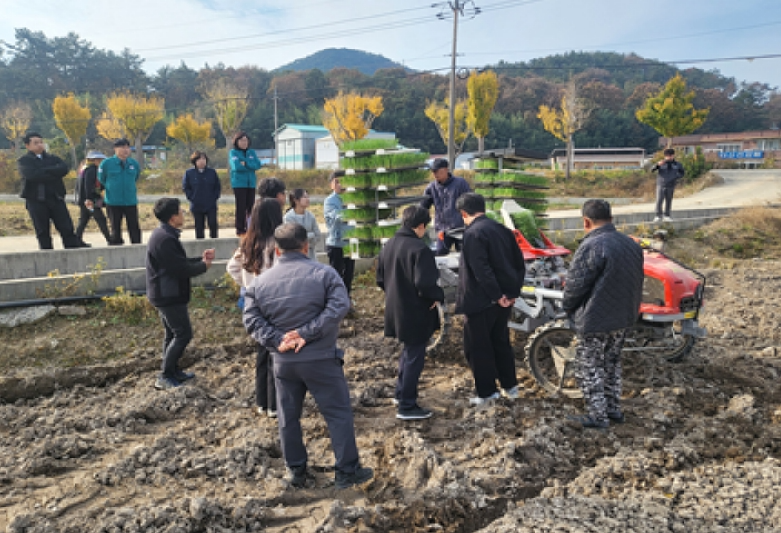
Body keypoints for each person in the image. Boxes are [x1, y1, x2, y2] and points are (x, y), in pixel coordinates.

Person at [243, 222, 374, 490]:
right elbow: (340, 305)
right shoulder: (325, 274)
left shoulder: (259, 284)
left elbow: (251, 320)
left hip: (283, 362)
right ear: (306, 246)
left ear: (276, 251)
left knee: (288, 417)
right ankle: (347, 470)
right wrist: (306, 333)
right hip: (321, 358)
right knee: (337, 413)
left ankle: (297, 471)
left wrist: (278, 339)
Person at [562, 199, 644, 429]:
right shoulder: (631, 244)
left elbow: (575, 286)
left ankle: (598, 416)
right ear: (611, 218)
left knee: (589, 367)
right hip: (624, 316)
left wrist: (567, 306)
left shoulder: (592, 246)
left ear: (586, 221)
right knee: (612, 363)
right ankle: (612, 409)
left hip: (596, 318)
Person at [455, 193, 525, 405]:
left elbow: (481, 270)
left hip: (481, 300)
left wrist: (496, 295)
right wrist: (511, 294)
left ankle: (487, 393)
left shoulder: (473, 233)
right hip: (504, 300)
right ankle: (510, 386)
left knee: (478, 346)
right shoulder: (502, 229)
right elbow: (518, 262)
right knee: (500, 341)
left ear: (463, 213)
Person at [376, 206, 444, 420]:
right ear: (421, 226)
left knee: (408, 352)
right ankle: (407, 405)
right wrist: (436, 296)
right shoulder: (419, 249)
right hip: (415, 311)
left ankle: (400, 393)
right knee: (415, 356)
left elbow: (380, 279)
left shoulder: (389, 245)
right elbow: (425, 284)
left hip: (395, 308)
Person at [145, 197, 215, 390]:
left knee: (172, 333)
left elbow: (177, 262)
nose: (184, 213)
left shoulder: (164, 235)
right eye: (181, 211)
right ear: (172, 217)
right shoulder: (165, 239)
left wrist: (200, 260)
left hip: (164, 292)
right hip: (168, 294)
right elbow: (179, 269)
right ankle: (165, 375)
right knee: (183, 334)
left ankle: (173, 370)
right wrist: (203, 266)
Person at [227, 198, 284, 417]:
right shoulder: (276, 245)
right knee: (274, 353)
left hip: (253, 302)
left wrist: (247, 284)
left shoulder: (248, 242)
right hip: (274, 302)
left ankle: (262, 402)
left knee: (262, 352)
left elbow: (232, 267)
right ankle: (273, 405)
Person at [17, 132, 89, 250]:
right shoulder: (24, 161)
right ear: (27, 146)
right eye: (36, 143)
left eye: (41, 142)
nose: (40, 145)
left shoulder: (52, 158)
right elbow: (32, 175)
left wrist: (44, 171)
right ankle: (47, 258)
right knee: (42, 231)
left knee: (67, 228)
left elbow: (64, 169)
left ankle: (72, 254)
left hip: (56, 198)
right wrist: (53, 173)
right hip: (36, 201)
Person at [420, 158, 471, 256]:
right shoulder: (431, 188)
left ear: (446, 170)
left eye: (438, 171)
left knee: (465, 256)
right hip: (442, 230)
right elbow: (423, 207)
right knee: (439, 254)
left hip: (460, 228)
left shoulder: (460, 183)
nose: (435, 174)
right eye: (433, 171)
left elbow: (470, 203)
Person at [98, 138, 142, 245]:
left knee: (134, 227)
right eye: (122, 147)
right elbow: (101, 179)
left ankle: (137, 248)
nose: (125, 150)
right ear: (115, 149)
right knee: (115, 227)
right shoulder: (106, 164)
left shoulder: (134, 164)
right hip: (113, 201)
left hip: (130, 201)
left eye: (127, 147)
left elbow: (136, 177)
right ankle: (116, 247)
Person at [324, 174, 355, 298]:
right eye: (337, 182)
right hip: (336, 244)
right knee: (336, 276)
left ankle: (347, 301)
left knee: (349, 275)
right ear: (331, 185)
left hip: (350, 243)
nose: (340, 185)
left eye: (343, 181)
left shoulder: (353, 198)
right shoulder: (330, 200)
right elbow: (335, 216)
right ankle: (335, 302)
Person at [75, 151, 112, 244]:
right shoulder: (92, 170)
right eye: (99, 160)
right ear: (93, 160)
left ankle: (76, 239)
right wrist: (89, 199)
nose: (101, 161)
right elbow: (88, 186)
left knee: (84, 219)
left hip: (84, 200)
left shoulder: (84, 169)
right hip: (91, 200)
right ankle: (109, 239)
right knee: (100, 218)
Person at [183, 150, 221, 239]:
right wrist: (192, 197)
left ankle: (214, 242)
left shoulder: (212, 172)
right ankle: (200, 246)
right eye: (199, 159)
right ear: (195, 161)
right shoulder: (189, 173)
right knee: (199, 226)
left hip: (210, 203)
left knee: (213, 224)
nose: (202, 161)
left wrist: (215, 197)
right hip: (197, 204)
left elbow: (217, 186)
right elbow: (186, 187)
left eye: (204, 159)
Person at [229, 131, 262, 235]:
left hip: (251, 183)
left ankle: (250, 227)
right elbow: (236, 167)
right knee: (241, 206)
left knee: (251, 207)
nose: (244, 142)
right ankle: (240, 228)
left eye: (246, 140)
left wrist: (246, 163)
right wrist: (249, 165)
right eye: (242, 140)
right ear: (237, 141)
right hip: (239, 183)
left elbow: (257, 165)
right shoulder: (233, 152)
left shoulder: (251, 152)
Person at [284, 188, 321, 261]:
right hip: (295, 258)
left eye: (308, 197)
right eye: (305, 197)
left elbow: (318, 235)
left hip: (311, 256)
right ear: (296, 200)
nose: (308, 199)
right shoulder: (288, 217)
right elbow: (293, 239)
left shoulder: (311, 216)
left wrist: (307, 245)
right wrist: (310, 235)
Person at [651, 148, 685, 223]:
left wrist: (676, 177)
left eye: (670, 156)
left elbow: (682, 173)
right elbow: (652, 170)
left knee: (668, 201)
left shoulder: (677, 164)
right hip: (661, 184)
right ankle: (658, 215)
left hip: (671, 185)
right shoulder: (661, 163)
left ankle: (667, 215)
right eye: (667, 156)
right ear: (665, 156)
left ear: (673, 156)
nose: (668, 157)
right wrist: (657, 165)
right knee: (659, 200)